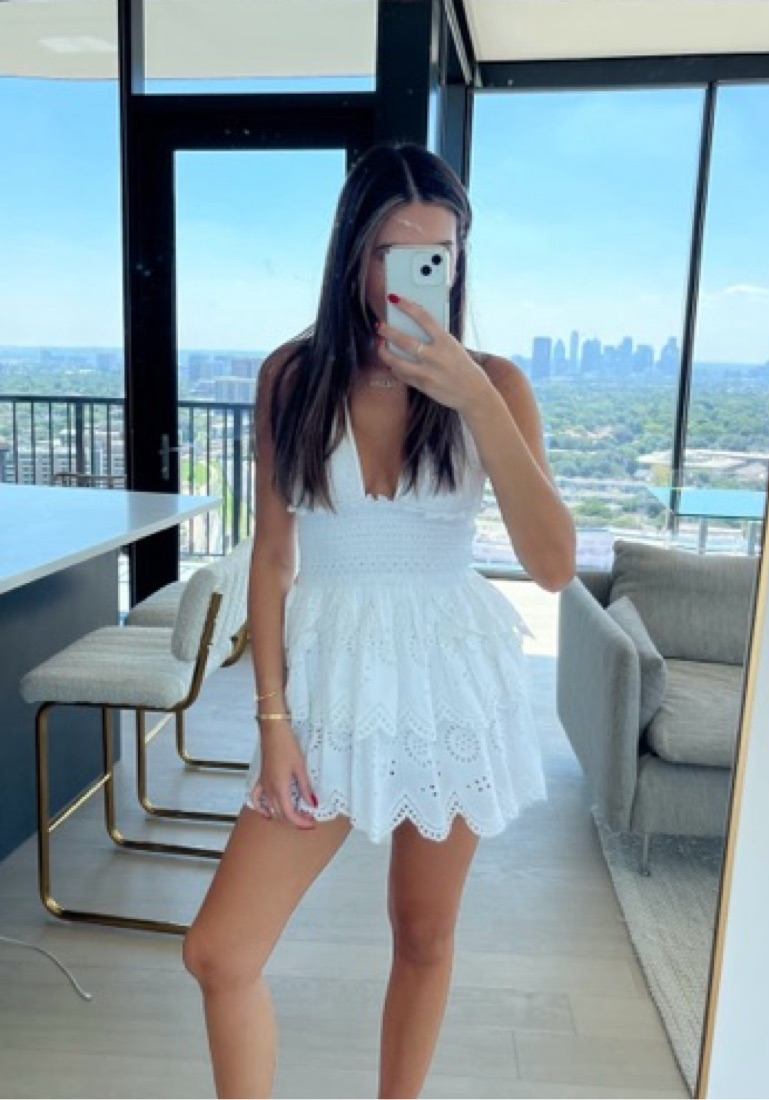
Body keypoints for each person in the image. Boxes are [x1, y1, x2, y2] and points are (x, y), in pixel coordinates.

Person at [182, 142, 577, 1099]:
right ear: (352, 253)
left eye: (438, 254)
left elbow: (553, 565)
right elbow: (273, 559)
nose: (414, 274)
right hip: (330, 685)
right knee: (220, 951)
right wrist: (272, 722)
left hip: (448, 679)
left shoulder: (494, 384)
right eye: (393, 252)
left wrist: (474, 398)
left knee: (424, 934)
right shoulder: (291, 376)